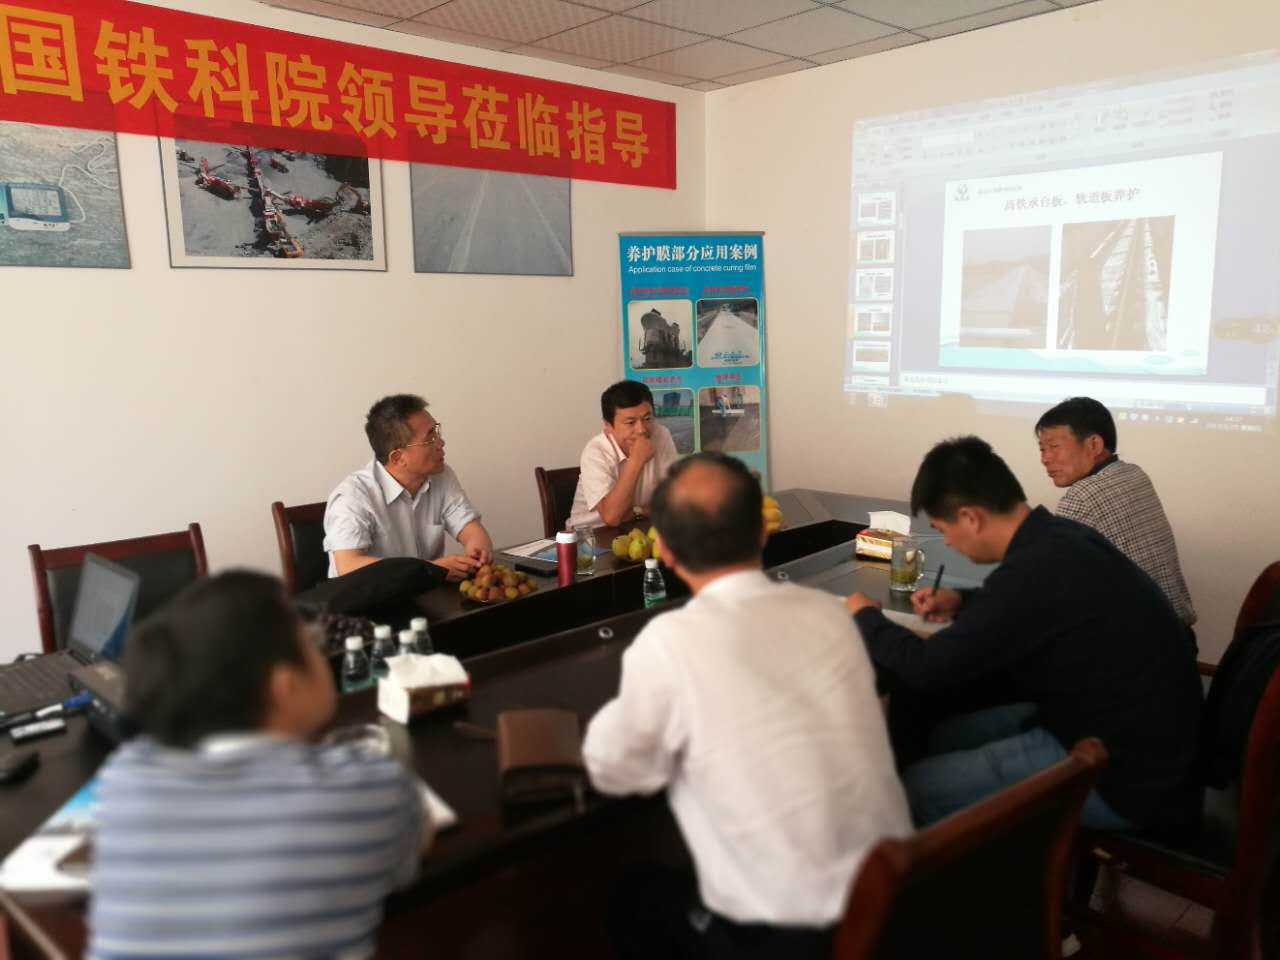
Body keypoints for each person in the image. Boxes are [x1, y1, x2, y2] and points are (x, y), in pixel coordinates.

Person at [584, 453, 911, 959]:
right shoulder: (830, 615)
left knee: (631, 899)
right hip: (894, 896)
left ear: (663, 550)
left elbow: (616, 771)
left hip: (787, 936)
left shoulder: (670, 642)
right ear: (762, 532)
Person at [845, 437, 1201, 831]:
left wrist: (865, 615)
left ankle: (996, 864)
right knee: (942, 736)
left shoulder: (1032, 572)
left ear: (970, 518)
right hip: (1138, 734)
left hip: (1128, 780)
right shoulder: (1059, 538)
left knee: (912, 790)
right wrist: (961, 600)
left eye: (943, 529)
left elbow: (927, 667)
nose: (945, 541)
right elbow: (1027, 606)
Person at [89, 572, 428, 959]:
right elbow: (411, 850)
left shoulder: (123, 778)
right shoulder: (365, 789)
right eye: (314, 643)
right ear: (284, 686)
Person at [1036, 396, 1196, 627]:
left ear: (1094, 445)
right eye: (1042, 449)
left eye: (1054, 447)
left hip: (1138, 639)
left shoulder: (1082, 496)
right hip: (1174, 628)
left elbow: (1054, 582)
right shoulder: (1134, 474)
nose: (1045, 459)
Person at [324, 394, 493, 580]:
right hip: (369, 598)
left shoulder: (440, 475)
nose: (441, 443)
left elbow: (470, 528)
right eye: (430, 438)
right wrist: (431, 570)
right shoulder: (353, 497)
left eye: (437, 431)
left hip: (425, 594)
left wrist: (478, 551)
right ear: (398, 458)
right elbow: (347, 566)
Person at [566, 380, 679, 529]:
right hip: (592, 535)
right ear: (608, 426)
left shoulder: (661, 435)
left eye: (647, 419)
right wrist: (636, 460)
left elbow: (676, 499)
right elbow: (612, 517)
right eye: (630, 422)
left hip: (639, 527)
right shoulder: (595, 451)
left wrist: (636, 512)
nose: (641, 430)